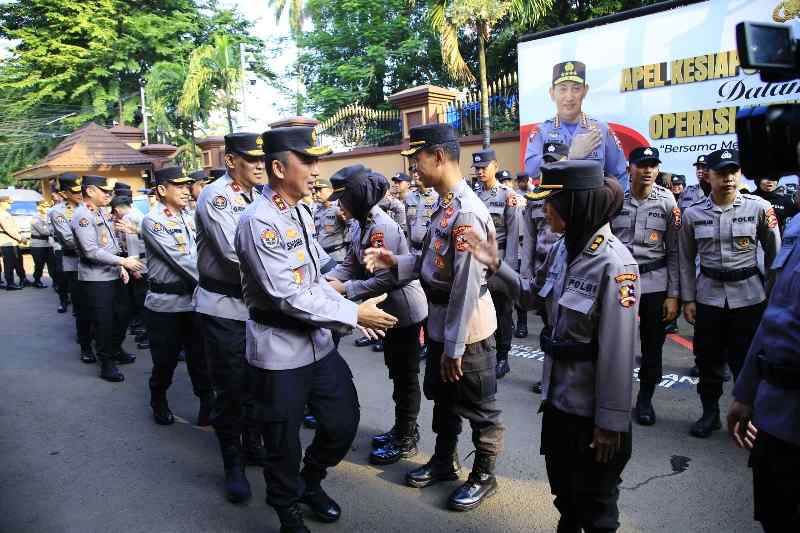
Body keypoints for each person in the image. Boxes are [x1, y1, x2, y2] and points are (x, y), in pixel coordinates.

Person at [235, 126, 397, 533]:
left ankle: (311, 481)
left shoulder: (300, 210)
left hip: (318, 343)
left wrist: (356, 275)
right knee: (282, 439)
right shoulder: (259, 222)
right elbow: (288, 296)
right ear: (277, 167)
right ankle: (287, 509)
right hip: (279, 350)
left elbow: (318, 268)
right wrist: (353, 312)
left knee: (343, 422)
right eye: (306, 161)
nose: (315, 169)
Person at [465, 160, 638, 533]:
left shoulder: (615, 264)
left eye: (550, 202)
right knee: (565, 497)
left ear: (575, 205)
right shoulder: (564, 248)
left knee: (597, 508)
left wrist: (610, 423)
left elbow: (619, 355)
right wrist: (497, 265)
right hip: (558, 402)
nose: (543, 210)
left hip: (592, 416)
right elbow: (531, 298)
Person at [365, 123, 504, 513]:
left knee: (479, 405)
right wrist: (396, 260)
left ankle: (484, 473)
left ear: (439, 157)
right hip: (442, 321)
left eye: (417, 160)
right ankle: (445, 461)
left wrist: (455, 346)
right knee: (443, 398)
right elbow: (431, 261)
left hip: (467, 327)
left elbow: (463, 287)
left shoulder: (466, 214)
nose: (413, 169)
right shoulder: (444, 205)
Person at [326, 164, 428, 466]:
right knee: (396, 371)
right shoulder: (359, 224)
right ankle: (402, 428)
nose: (338, 204)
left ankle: (407, 437)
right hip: (384, 310)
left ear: (356, 197)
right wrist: (331, 280)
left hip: (403, 312)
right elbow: (350, 261)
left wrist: (346, 288)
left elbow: (388, 278)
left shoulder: (381, 227)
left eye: (342, 197)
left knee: (406, 376)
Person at [679, 149, 781, 438]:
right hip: (708, 296)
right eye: (722, 173)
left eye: (733, 172)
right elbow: (685, 259)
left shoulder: (759, 208)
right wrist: (688, 298)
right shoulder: (692, 213)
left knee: (746, 361)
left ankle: (749, 418)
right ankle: (709, 413)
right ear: (708, 175)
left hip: (749, 296)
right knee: (707, 359)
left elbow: (775, 257)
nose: (728, 178)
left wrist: (771, 298)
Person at [194, 132, 268, 503]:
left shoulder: (259, 195)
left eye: (262, 158)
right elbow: (233, 253)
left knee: (257, 384)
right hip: (224, 307)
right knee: (232, 388)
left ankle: (253, 446)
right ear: (229, 161)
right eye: (251, 159)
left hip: (256, 305)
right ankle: (233, 464)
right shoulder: (217, 197)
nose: (259, 164)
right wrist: (282, 279)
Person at [727, 213, 800, 533]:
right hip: (776, 412)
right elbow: (775, 316)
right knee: (774, 515)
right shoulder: (797, 225)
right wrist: (745, 391)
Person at [610, 147, 680, 426]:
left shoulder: (666, 201)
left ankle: (645, 399)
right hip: (620, 281)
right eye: (642, 165)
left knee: (653, 345)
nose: (648, 170)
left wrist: (673, 295)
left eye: (653, 165)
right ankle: (612, 397)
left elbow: (675, 251)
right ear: (630, 168)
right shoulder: (615, 199)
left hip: (654, 283)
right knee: (614, 341)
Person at [141, 166, 212, 426]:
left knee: (200, 359)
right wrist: (221, 282)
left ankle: (207, 404)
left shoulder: (190, 216)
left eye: (187, 185)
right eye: (178, 186)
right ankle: (158, 400)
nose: (186, 190)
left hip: (193, 302)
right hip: (165, 306)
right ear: (161, 190)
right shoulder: (153, 221)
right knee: (165, 361)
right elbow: (183, 261)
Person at [71, 175, 144, 382]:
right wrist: (122, 263)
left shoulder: (100, 212)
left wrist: (119, 264)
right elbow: (91, 251)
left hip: (112, 272)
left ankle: (115, 349)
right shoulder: (82, 216)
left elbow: (110, 244)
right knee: (104, 322)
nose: (108, 194)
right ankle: (106, 362)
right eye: (104, 190)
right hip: (95, 278)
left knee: (123, 314)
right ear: (90, 191)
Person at [524, 61, 629, 190]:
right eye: (562, 89)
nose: (569, 97)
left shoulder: (601, 130)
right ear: (552, 93)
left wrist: (616, 208)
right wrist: (569, 156)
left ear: (585, 91)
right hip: (555, 207)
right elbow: (531, 170)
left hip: (593, 207)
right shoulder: (541, 131)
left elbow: (620, 175)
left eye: (576, 88)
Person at [521, 142, 567, 394]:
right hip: (542, 267)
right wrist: (526, 270)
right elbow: (528, 237)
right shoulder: (536, 198)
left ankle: (562, 376)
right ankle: (548, 375)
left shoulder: (575, 193)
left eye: (556, 161)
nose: (551, 166)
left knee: (565, 326)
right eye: (547, 161)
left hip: (566, 269)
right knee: (549, 327)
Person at [473, 148, 520, 379]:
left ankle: (503, 357)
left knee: (503, 312)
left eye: (484, 167)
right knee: (480, 309)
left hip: (499, 263)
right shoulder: (474, 196)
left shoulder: (507, 196)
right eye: (477, 168)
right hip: (477, 264)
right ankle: (486, 354)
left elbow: (513, 234)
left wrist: (507, 269)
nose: (480, 172)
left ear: (495, 166)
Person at [50, 174, 94, 361]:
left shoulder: (90, 206)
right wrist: (93, 248)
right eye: (74, 191)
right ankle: (85, 347)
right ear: (64, 193)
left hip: (98, 265)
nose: (79, 194)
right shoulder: (57, 212)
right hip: (75, 264)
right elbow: (68, 240)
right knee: (82, 308)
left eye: (81, 190)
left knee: (101, 307)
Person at [311, 176, 349, 262]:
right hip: (322, 256)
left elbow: (351, 230)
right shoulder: (316, 210)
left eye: (320, 190)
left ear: (330, 190)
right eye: (315, 190)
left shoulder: (339, 208)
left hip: (337, 256)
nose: (317, 194)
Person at [46, 193, 69, 312]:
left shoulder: (82, 208)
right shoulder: (53, 211)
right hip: (60, 246)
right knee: (61, 274)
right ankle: (63, 301)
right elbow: (50, 230)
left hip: (79, 248)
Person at [0, 195, 25, 290]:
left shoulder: (5, 213)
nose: (10, 205)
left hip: (11, 241)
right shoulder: (2, 214)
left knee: (17, 261)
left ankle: (22, 279)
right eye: (8, 203)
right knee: (9, 263)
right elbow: (9, 229)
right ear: (2, 203)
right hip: (7, 242)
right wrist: (20, 238)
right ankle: (10, 283)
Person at [30, 201, 54, 288]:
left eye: (48, 206)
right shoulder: (35, 218)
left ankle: (56, 282)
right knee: (39, 265)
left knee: (52, 264)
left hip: (49, 244)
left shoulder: (49, 217)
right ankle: (37, 280)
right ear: (39, 207)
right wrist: (54, 230)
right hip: (38, 245)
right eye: (44, 206)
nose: (46, 208)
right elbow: (44, 232)